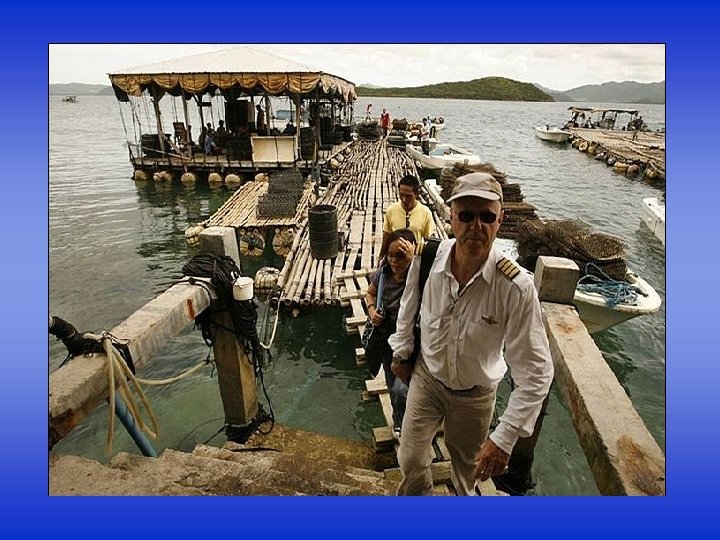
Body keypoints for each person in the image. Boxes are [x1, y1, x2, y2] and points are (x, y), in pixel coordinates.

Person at [388, 172, 554, 496]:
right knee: (410, 459)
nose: (476, 226)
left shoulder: (516, 288)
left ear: (499, 220)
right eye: (466, 215)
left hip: (475, 395)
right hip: (428, 379)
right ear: (451, 217)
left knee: (467, 471)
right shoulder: (427, 258)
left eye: (486, 217)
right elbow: (409, 307)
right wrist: (401, 352)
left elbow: (536, 372)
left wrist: (504, 438)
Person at [365, 228, 417, 439]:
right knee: (391, 383)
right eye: (390, 255)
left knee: (401, 389)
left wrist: (414, 261)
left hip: (412, 342)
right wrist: (371, 311)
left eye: (400, 256)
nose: (394, 260)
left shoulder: (419, 277)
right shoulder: (383, 274)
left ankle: (415, 423)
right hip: (387, 339)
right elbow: (369, 293)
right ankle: (399, 420)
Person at [380, 175, 434, 260]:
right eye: (401, 195)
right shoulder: (391, 210)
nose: (404, 199)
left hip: (415, 258)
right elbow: (386, 236)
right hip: (395, 258)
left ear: (416, 194)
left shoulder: (425, 213)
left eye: (408, 196)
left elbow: (429, 240)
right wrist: (381, 256)